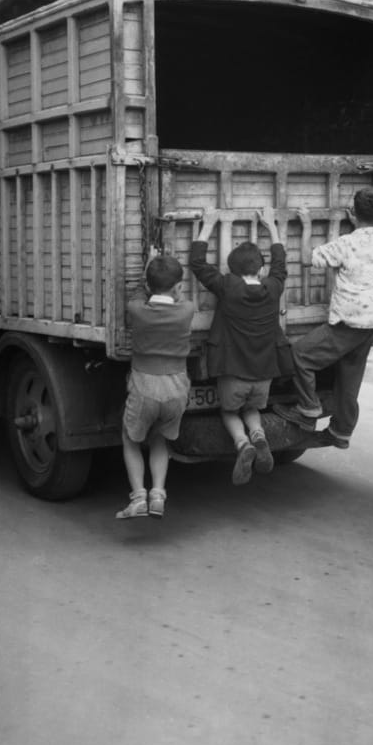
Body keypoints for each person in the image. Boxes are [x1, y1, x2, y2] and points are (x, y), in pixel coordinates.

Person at [273, 186, 373, 449]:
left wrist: (306, 224)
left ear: (353, 212)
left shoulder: (346, 244)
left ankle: (308, 409)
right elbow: (369, 230)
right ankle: (341, 431)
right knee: (350, 376)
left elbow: (308, 259)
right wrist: (359, 222)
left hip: (349, 322)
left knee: (300, 355)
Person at [189, 207, 287, 485]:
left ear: (230, 269)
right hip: (264, 373)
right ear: (262, 268)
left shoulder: (228, 286)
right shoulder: (273, 287)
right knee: (253, 409)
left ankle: (242, 443)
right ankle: (259, 436)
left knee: (230, 411)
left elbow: (197, 264)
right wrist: (271, 226)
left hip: (232, 371)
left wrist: (207, 225)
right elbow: (281, 263)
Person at [116, 254, 195, 520]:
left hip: (144, 388)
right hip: (176, 389)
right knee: (160, 439)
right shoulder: (186, 310)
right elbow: (180, 299)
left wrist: (146, 275)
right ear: (177, 288)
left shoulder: (137, 310)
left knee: (130, 439)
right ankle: (158, 494)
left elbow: (139, 295)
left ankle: (139, 496)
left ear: (149, 286)